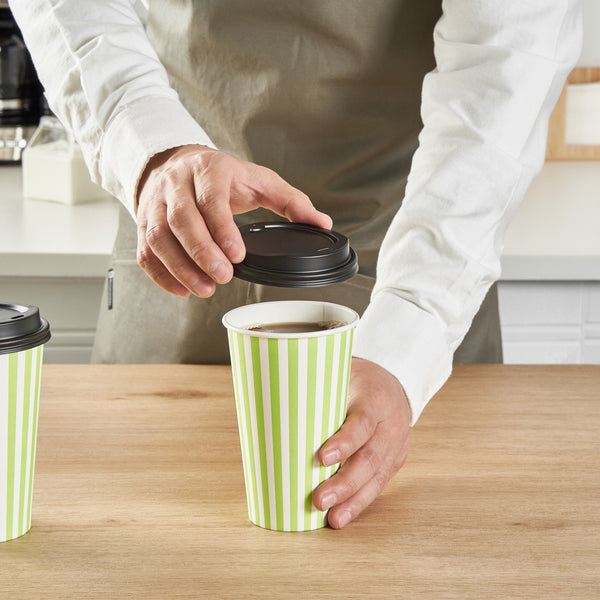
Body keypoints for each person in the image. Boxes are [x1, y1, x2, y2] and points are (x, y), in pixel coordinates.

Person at [11, 0, 582, 529]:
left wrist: (409, 332)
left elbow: (506, 63)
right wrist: (152, 145)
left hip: (412, 262)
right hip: (178, 239)